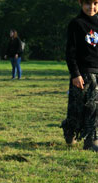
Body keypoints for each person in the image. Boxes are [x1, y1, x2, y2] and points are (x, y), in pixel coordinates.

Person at [61, 0, 98, 152]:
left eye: (95, 3)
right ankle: (69, 128)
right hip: (81, 73)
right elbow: (70, 52)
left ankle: (91, 139)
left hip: (97, 72)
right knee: (76, 109)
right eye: (88, 3)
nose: (92, 7)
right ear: (80, 3)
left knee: (94, 107)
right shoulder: (76, 24)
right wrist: (75, 74)